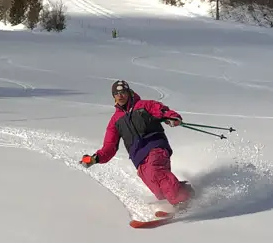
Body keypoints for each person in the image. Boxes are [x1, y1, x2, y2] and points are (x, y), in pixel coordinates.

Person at [80, 79, 194, 215]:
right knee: (158, 189)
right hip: (139, 159)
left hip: (155, 147)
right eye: (117, 93)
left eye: (123, 92)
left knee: (156, 172)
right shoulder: (115, 121)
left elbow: (162, 111)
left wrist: (172, 117)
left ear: (128, 93)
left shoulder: (144, 105)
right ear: (113, 97)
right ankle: (185, 192)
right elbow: (109, 147)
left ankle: (182, 201)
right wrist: (95, 159)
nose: (120, 95)